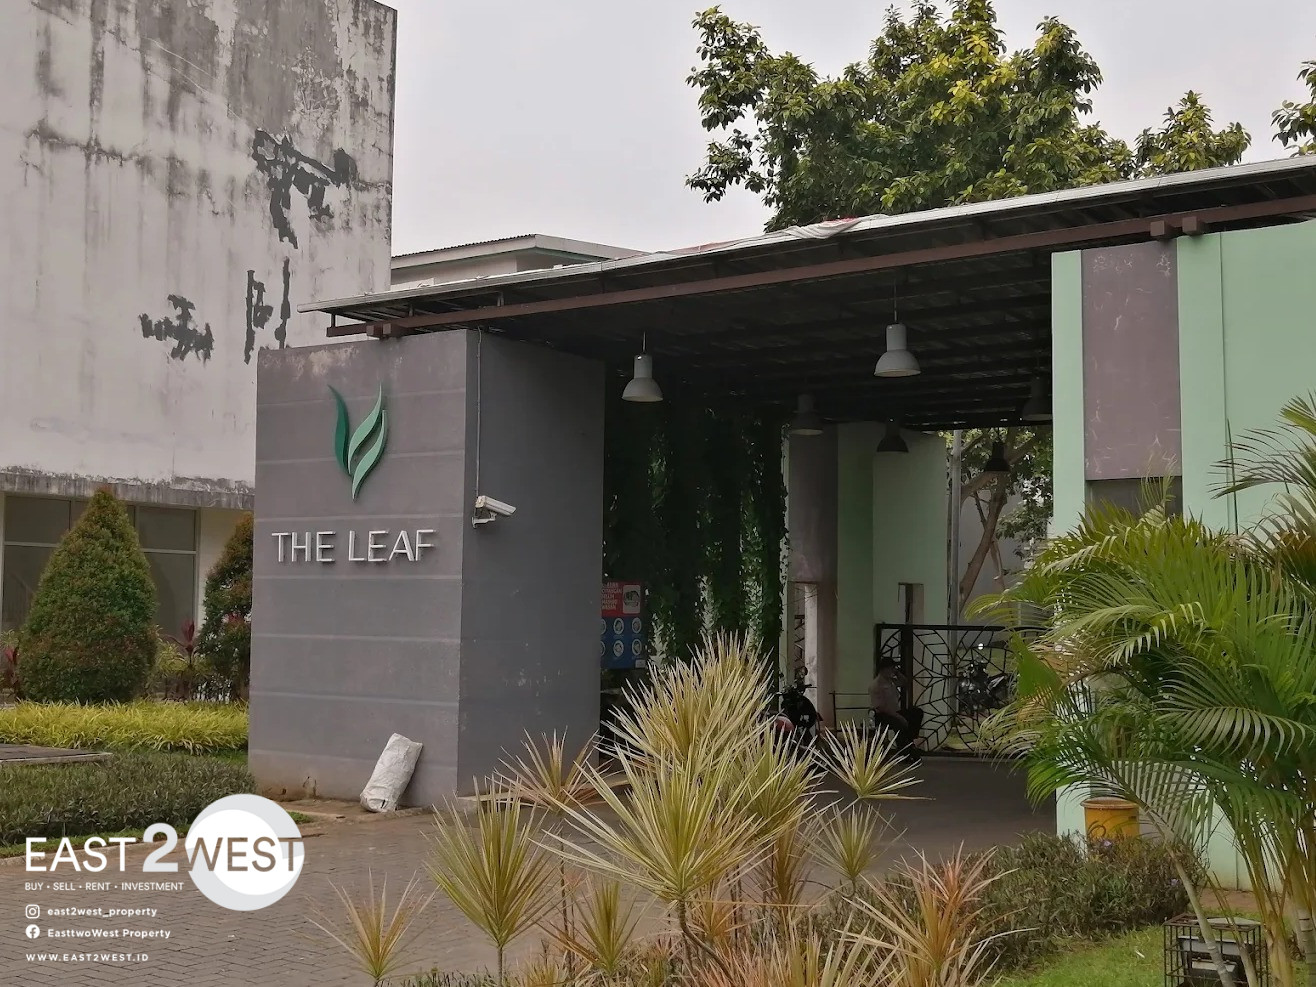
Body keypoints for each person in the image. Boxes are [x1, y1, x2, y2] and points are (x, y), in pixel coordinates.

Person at [868, 659, 923, 758]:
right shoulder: (876, 685)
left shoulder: (890, 681)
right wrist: (899, 717)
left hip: (895, 712)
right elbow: (881, 707)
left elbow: (904, 682)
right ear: (883, 669)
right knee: (899, 723)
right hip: (883, 714)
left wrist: (897, 673)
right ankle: (904, 750)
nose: (892, 671)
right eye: (890, 668)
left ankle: (910, 742)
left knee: (916, 712)